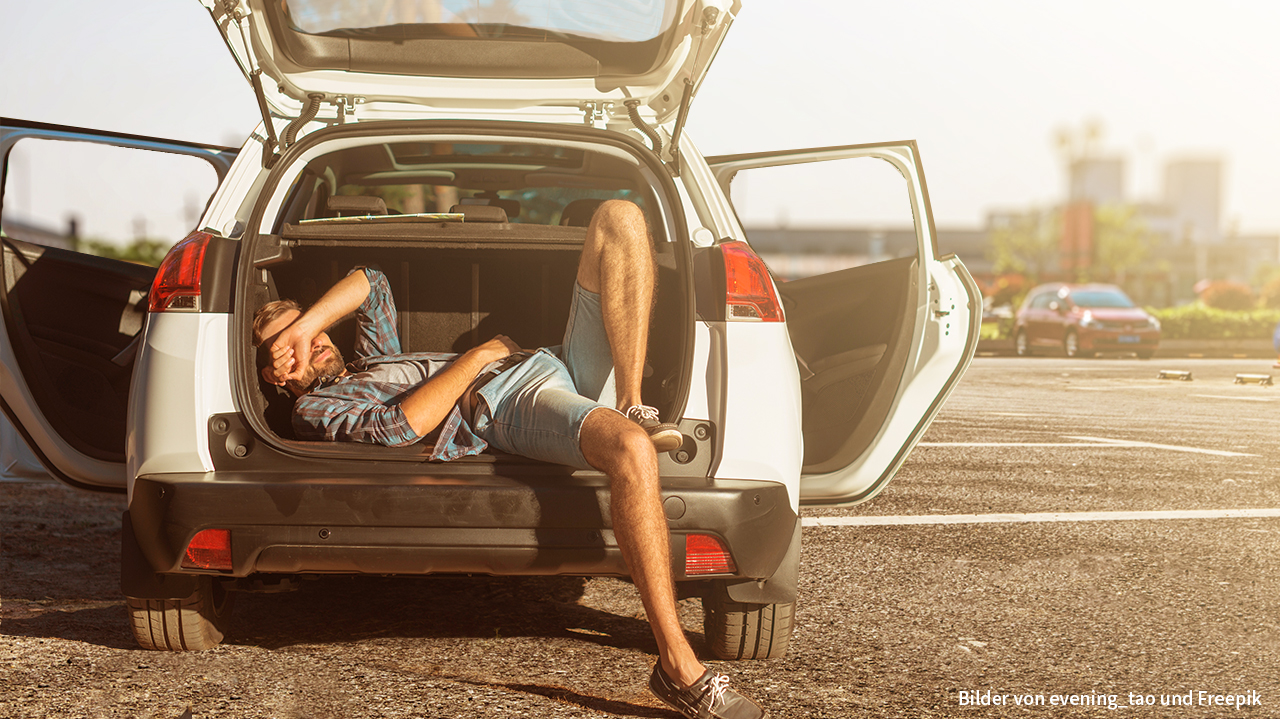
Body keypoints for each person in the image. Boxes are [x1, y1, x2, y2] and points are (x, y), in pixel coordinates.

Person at [252, 200, 766, 719]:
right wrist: (480, 355)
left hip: (552, 362)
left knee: (620, 217)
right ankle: (678, 666)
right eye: (286, 347)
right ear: (275, 375)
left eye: (312, 331)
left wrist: (300, 325)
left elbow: (372, 280)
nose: (312, 342)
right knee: (631, 449)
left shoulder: (371, 358)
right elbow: (400, 426)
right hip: (505, 398)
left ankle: (633, 402)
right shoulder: (315, 408)